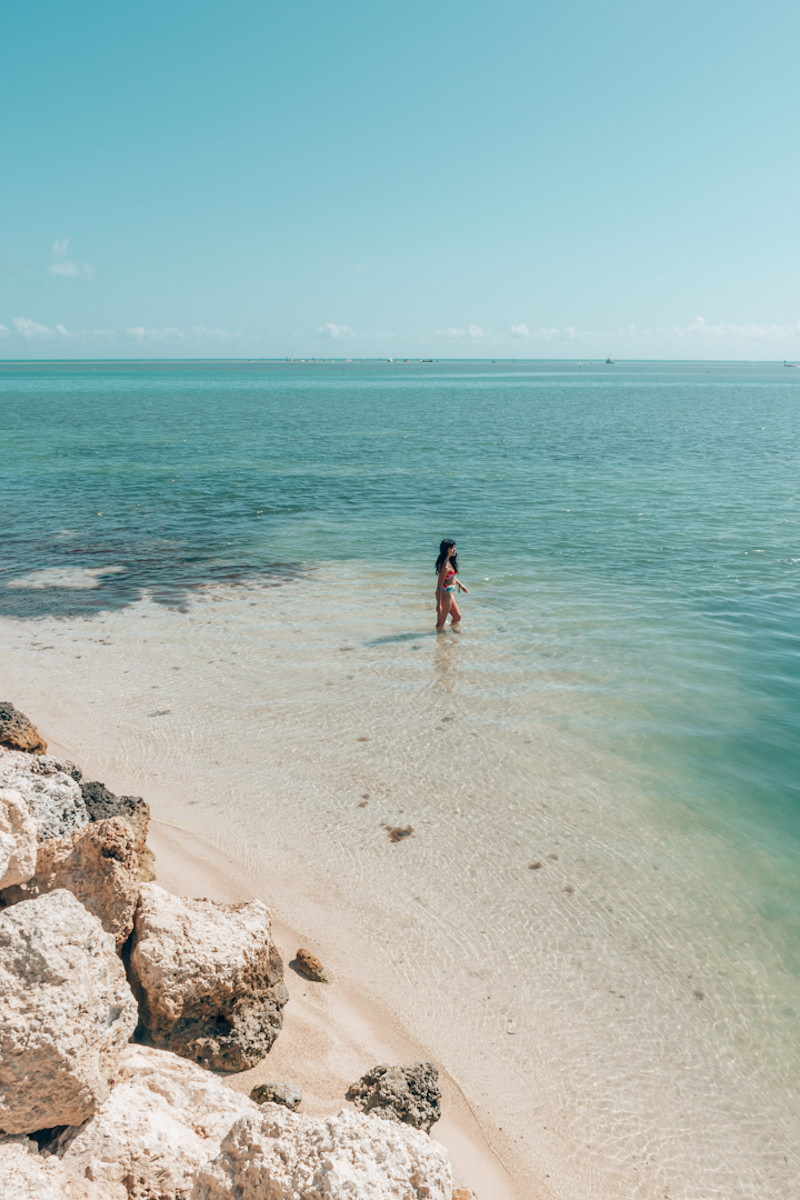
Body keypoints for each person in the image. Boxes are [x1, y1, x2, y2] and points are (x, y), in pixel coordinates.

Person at [435, 538, 468, 630]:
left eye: (454, 548)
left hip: (449, 593)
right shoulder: (444, 567)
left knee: (457, 617)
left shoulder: (450, 562)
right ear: (446, 549)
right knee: (440, 623)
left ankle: (450, 635)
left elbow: (451, 578)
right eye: (452, 548)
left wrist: (460, 585)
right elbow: (439, 586)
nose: (455, 550)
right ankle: (440, 640)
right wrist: (438, 604)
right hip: (444, 594)